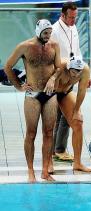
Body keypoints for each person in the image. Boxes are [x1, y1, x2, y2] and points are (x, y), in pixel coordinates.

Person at [4, 19, 61, 182]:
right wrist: (19, 86)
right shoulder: (25, 46)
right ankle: (31, 171)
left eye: (50, 33)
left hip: (50, 94)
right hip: (32, 95)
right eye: (45, 33)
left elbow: (59, 67)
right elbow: (8, 67)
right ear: (38, 32)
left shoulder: (54, 45)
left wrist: (53, 78)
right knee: (31, 133)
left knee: (49, 132)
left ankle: (45, 171)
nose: (48, 36)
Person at [51, 2, 82, 162]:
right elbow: (50, 57)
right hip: (58, 77)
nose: (73, 20)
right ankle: (57, 150)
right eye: (71, 17)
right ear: (62, 15)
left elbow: (77, 51)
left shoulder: (73, 27)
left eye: (75, 17)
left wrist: (83, 75)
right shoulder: (54, 31)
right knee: (58, 116)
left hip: (72, 74)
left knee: (65, 116)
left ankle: (57, 149)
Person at [49, 56, 91, 173]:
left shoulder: (85, 70)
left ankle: (77, 163)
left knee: (78, 123)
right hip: (49, 93)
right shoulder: (60, 66)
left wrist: (77, 110)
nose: (76, 75)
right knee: (49, 126)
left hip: (65, 93)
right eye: (73, 72)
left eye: (78, 73)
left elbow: (82, 90)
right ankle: (48, 162)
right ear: (68, 68)